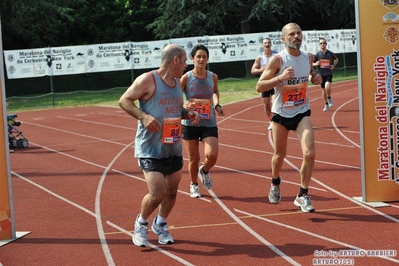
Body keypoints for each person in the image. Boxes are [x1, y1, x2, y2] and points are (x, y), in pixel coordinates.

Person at [119, 44, 200, 247]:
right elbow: (124, 100)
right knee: (157, 192)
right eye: (184, 61)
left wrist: (187, 113)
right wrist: (144, 116)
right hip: (150, 148)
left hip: (172, 147)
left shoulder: (176, 83)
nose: (186, 65)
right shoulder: (148, 79)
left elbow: (174, 109)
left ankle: (161, 223)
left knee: (172, 191)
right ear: (175, 60)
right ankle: (141, 223)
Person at [256, 22, 322, 213]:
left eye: (299, 33)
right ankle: (275, 182)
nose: (296, 36)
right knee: (279, 155)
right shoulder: (278, 60)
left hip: (302, 112)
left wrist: (313, 79)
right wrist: (280, 78)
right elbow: (260, 87)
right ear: (283, 39)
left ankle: (302, 195)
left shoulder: (308, 57)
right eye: (292, 34)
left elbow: (309, 74)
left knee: (309, 153)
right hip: (281, 114)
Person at [180, 44, 225, 198]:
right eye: (198, 56)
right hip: (190, 123)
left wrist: (217, 104)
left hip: (208, 122)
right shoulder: (186, 77)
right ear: (192, 58)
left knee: (212, 155)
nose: (201, 59)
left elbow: (215, 91)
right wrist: (184, 105)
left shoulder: (213, 76)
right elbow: (176, 95)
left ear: (207, 59)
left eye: (204, 57)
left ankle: (204, 170)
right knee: (194, 158)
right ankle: (193, 184)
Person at [251, 38, 277, 130]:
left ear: (271, 44)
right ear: (262, 45)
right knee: (266, 105)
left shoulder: (276, 56)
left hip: (274, 82)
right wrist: (261, 70)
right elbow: (253, 70)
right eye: (265, 43)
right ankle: (271, 121)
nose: (267, 44)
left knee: (274, 103)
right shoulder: (260, 57)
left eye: (268, 43)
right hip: (265, 83)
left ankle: (276, 121)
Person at [313, 38, 338, 112]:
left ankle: (329, 98)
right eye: (321, 43)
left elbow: (336, 59)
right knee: (323, 90)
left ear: (326, 44)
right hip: (321, 74)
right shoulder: (317, 54)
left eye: (324, 43)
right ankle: (326, 104)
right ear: (319, 45)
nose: (322, 44)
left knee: (327, 86)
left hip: (328, 73)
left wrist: (333, 66)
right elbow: (312, 63)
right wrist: (315, 64)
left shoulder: (330, 53)